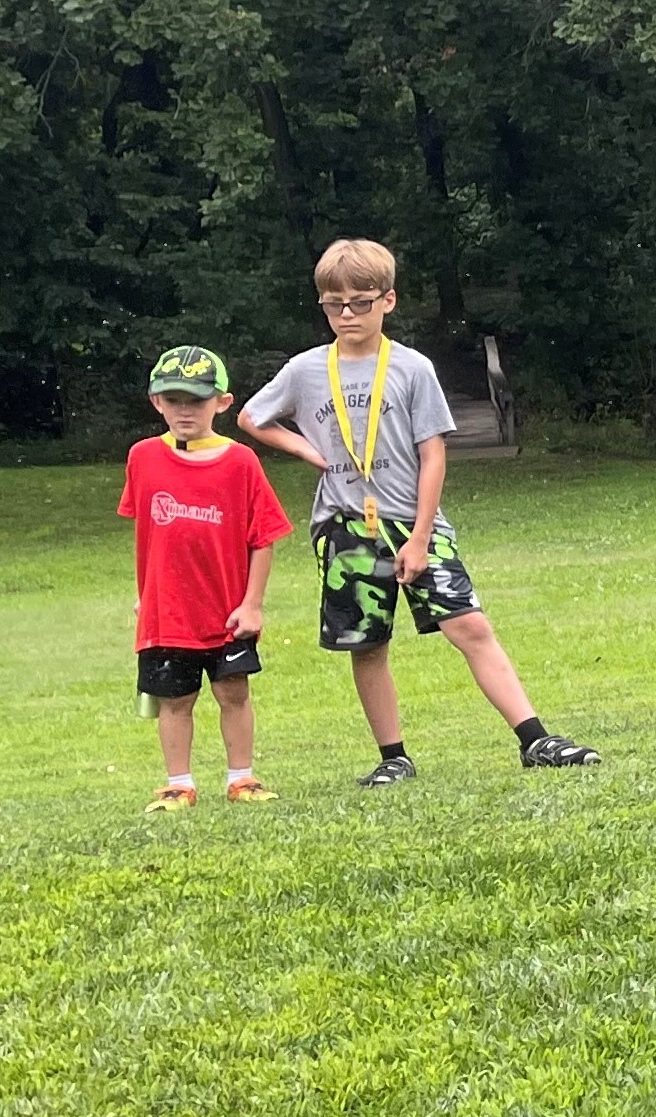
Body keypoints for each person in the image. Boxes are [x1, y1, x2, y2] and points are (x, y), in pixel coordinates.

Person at [238, 242, 600, 784]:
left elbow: (433, 453)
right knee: (368, 645)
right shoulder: (306, 370)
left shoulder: (411, 367)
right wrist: (305, 450)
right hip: (345, 528)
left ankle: (535, 738)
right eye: (334, 304)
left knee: (469, 625)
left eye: (360, 302)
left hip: (413, 522)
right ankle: (394, 758)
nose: (347, 315)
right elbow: (250, 417)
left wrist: (421, 536)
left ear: (388, 301)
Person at [121, 343, 289, 812]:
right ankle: (179, 784)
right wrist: (144, 596)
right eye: (173, 400)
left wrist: (252, 604)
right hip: (166, 612)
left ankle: (242, 778)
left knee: (233, 693)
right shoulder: (142, 458)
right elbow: (150, 536)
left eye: (196, 400)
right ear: (157, 401)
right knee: (174, 700)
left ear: (222, 402)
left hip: (227, 610)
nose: (184, 410)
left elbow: (263, 537)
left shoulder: (241, 462)